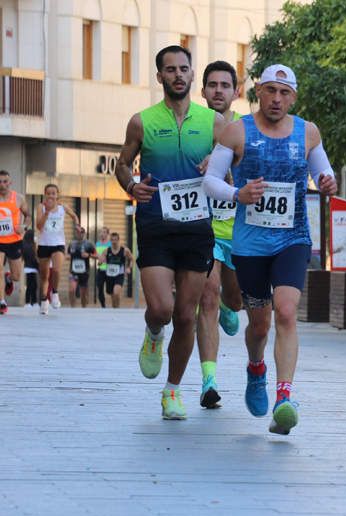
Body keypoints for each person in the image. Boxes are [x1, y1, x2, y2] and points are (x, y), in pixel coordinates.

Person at [202, 63, 338, 434]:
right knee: (259, 325)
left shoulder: (307, 132)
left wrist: (327, 182)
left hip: (292, 239)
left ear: (294, 96)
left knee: (287, 311)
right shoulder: (236, 130)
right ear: (258, 92)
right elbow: (210, 179)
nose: (277, 99)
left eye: (285, 93)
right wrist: (237, 194)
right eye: (270, 91)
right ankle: (256, 369)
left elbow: (323, 172)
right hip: (250, 245)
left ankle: (284, 397)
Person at [114, 45, 223, 420]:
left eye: (184, 69)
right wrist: (131, 186)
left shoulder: (214, 124)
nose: (178, 75)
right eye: (170, 70)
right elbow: (123, 164)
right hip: (155, 224)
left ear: (193, 75)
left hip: (196, 227)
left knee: (187, 315)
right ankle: (153, 333)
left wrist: (218, 163)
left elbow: (236, 165)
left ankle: (172, 392)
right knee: (161, 309)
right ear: (160, 76)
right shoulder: (141, 121)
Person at [194, 60, 245, 409]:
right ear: (203, 91)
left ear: (235, 92)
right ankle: (209, 381)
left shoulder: (249, 130)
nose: (218, 91)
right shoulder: (193, 127)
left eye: (224, 85)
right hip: (204, 229)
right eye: (212, 85)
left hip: (240, 231)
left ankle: (232, 303)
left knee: (235, 300)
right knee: (207, 296)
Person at [37, 183, 79, 314]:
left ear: (57, 195)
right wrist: (47, 212)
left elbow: (74, 216)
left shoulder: (62, 207)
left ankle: (54, 292)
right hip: (44, 244)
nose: (50, 196)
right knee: (44, 276)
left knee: (56, 270)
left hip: (58, 243)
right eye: (48, 193)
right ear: (45, 194)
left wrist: (77, 225)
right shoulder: (41, 207)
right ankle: (44, 300)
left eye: (53, 193)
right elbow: (39, 226)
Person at [0, 170, 31, 313]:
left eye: (5, 181)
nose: (2, 185)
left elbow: (28, 216)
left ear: (10, 182)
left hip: (14, 241)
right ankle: (2, 302)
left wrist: (24, 227)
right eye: (0, 182)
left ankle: (9, 278)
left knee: (17, 276)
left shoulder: (18, 198)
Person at [98, 232, 133, 309]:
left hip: (119, 275)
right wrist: (100, 262)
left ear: (118, 240)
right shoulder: (107, 250)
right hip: (109, 275)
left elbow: (131, 259)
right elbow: (101, 260)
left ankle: (117, 309)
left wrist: (128, 268)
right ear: (110, 241)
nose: (114, 242)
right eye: (112, 240)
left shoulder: (125, 250)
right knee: (112, 295)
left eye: (115, 240)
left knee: (116, 292)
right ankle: (115, 308)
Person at [66, 226, 97, 308]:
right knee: (71, 290)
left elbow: (97, 255)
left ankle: (83, 308)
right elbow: (68, 254)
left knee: (83, 293)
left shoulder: (89, 244)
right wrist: (68, 256)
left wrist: (88, 255)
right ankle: (73, 308)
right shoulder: (72, 244)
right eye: (77, 232)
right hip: (73, 271)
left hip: (84, 272)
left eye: (80, 232)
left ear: (83, 233)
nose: (79, 234)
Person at [94, 227, 111, 308]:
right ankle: (103, 306)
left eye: (104, 232)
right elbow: (96, 255)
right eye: (101, 232)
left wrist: (103, 259)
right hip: (100, 269)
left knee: (109, 290)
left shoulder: (110, 244)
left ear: (107, 234)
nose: (102, 234)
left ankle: (114, 305)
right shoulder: (97, 244)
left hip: (109, 270)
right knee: (99, 288)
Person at [22, 229, 39, 308]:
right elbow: (35, 255)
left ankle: (30, 302)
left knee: (31, 285)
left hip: (29, 267)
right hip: (31, 267)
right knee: (32, 285)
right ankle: (30, 302)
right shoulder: (30, 245)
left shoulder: (25, 244)